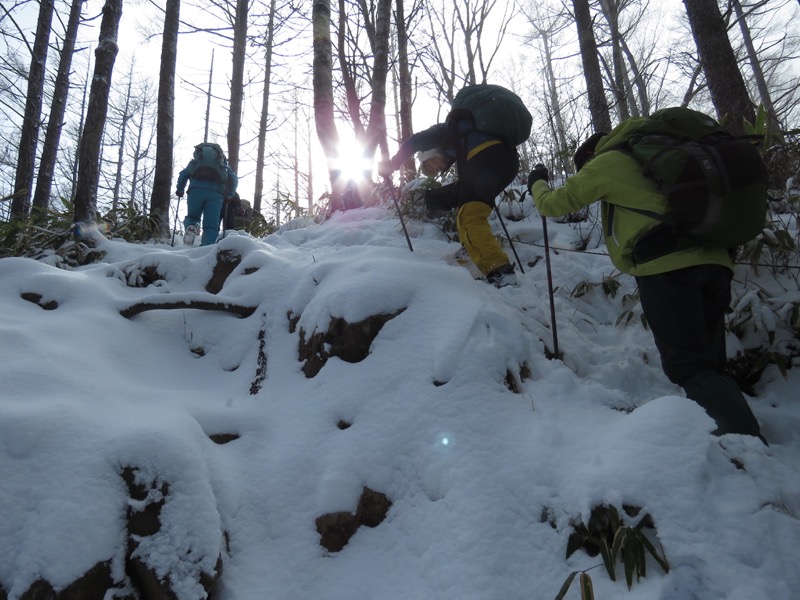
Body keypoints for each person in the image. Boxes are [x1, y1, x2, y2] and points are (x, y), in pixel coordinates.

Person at [527, 124, 766, 443]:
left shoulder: (608, 161)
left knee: (689, 366)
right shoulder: (656, 154)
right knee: (709, 362)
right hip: (716, 261)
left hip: (668, 267)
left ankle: (746, 445)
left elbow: (554, 204)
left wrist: (538, 183)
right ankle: (729, 434)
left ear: (590, 156)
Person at [378, 110, 520, 288]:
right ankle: (471, 249)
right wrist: (430, 199)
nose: (437, 169)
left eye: (431, 165)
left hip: (488, 158)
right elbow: (465, 191)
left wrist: (393, 164)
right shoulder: (464, 143)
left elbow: (415, 141)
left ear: (430, 153)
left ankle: (501, 272)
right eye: (434, 170)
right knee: (468, 208)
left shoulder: (446, 133)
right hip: (508, 161)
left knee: (469, 217)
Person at [175, 144, 238, 246]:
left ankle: (191, 226)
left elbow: (184, 174)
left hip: (195, 190)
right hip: (216, 194)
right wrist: (230, 195)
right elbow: (233, 179)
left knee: (193, 216)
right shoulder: (222, 163)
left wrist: (180, 189)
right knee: (211, 225)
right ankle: (206, 248)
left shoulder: (196, 161)